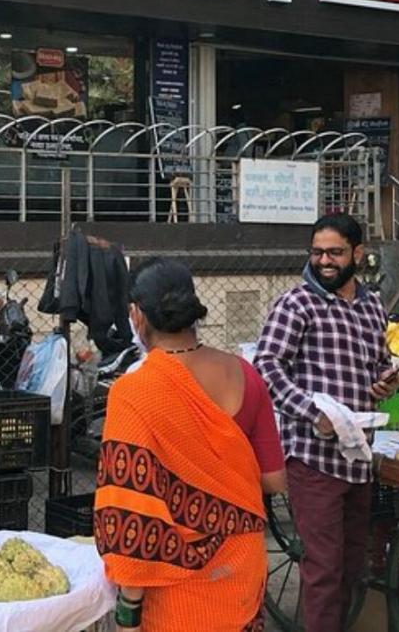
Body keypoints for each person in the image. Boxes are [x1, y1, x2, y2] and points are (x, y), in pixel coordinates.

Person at [94, 257, 286, 632]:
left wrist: (128, 612)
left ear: (137, 316)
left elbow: (130, 509)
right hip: (241, 571)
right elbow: (275, 480)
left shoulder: (133, 393)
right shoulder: (245, 374)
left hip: (177, 592)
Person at [254, 213, 398, 632]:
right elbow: (266, 366)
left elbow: (378, 364)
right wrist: (311, 413)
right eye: (317, 253)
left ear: (358, 253)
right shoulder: (296, 304)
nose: (324, 261)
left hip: (358, 457)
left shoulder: (372, 306)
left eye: (335, 252)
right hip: (313, 458)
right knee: (323, 570)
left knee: (353, 565)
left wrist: (382, 384)